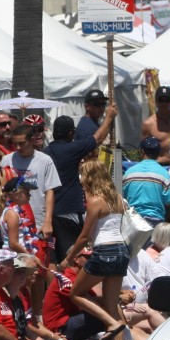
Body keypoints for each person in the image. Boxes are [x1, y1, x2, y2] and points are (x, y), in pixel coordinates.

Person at [59, 160, 130, 340]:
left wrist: (68, 258)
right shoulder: (119, 199)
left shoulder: (95, 201)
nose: (81, 180)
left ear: (90, 177)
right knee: (111, 306)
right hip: (122, 251)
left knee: (75, 293)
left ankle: (113, 324)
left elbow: (84, 236)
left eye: (82, 176)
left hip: (105, 251)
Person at [45, 108, 118, 262]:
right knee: (74, 257)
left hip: (49, 213)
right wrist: (109, 117)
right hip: (69, 211)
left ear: (53, 133)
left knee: (53, 258)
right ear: (71, 134)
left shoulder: (44, 153)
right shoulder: (73, 149)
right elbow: (97, 139)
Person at [0, 123, 62, 267]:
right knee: (20, 267)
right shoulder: (7, 160)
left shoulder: (45, 160)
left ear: (32, 140)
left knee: (44, 264)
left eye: (22, 143)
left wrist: (47, 221)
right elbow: (2, 191)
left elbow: (50, 191)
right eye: (15, 144)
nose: (19, 148)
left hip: (38, 221)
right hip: (15, 221)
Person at [122, 137, 170, 227]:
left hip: (132, 220)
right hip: (155, 219)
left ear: (142, 151)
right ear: (158, 153)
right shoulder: (164, 174)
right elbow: (168, 201)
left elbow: (123, 197)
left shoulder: (129, 173)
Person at [141, 85, 170, 167]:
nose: (164, 103)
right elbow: (144, 151)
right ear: (155, 101)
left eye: (167, 100)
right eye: (161, 100)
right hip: (160, 165)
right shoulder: (148, 124)